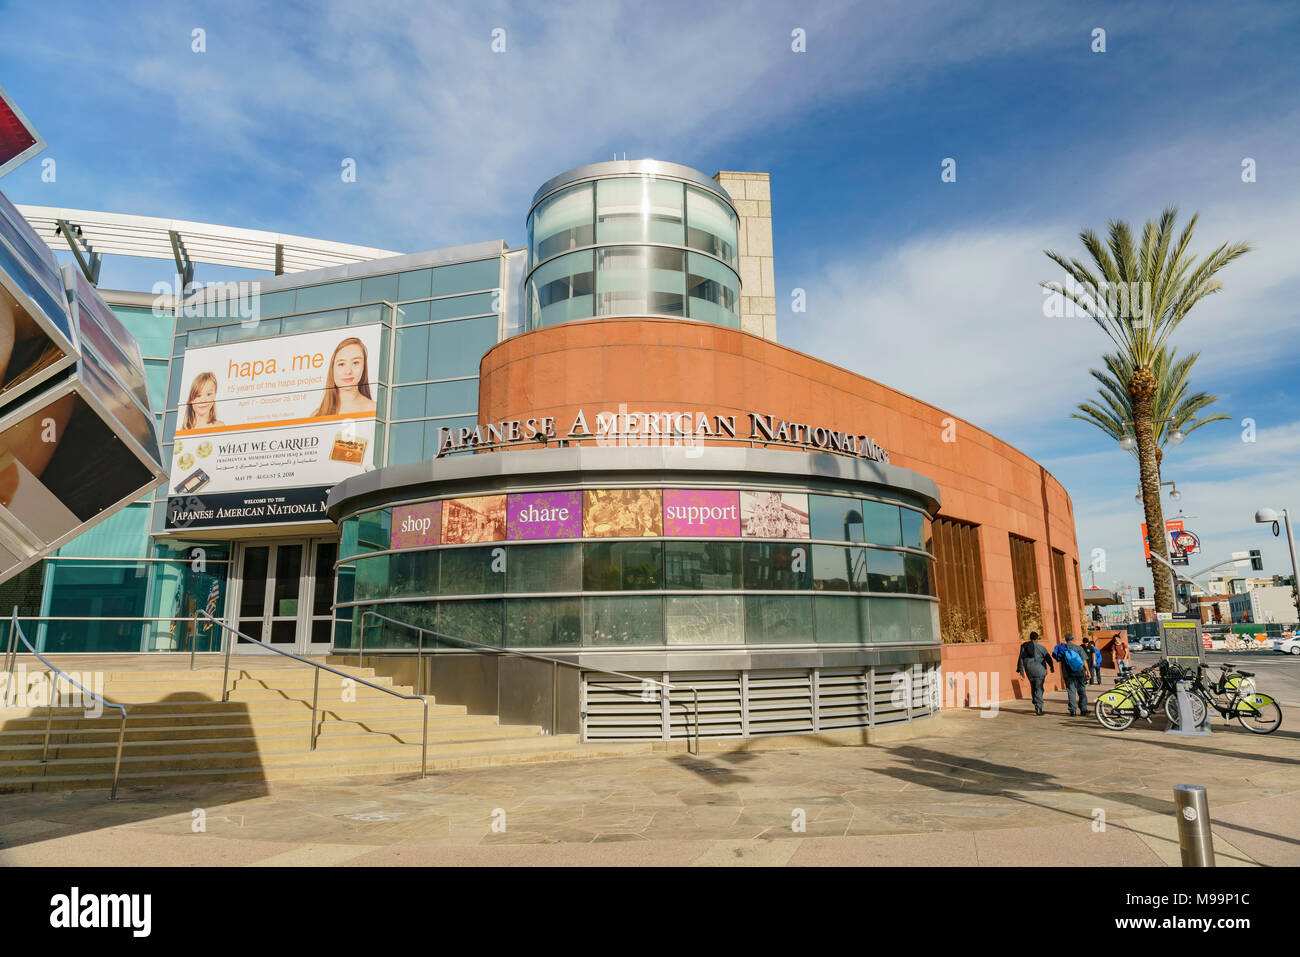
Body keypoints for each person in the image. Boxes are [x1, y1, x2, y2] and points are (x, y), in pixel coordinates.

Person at [313, 337, 376, 416]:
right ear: (332, 369)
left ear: (363, 367)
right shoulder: (317, 414)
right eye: (341, 364)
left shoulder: (374, 409)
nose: (348, 371)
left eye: (355, 363)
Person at [1016, 630, 1055, 715]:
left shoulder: (1024, 647)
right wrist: (1052, 666)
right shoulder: (1041, 647)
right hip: (1039, 670)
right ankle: (1038, 707)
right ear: (1037, 639)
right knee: (1039, 688)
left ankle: (1035, 700)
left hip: (1029, 670)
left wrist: (1021, 672)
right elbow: (1048, 657)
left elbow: (1021, 659)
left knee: (1033, 686)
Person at [1052, 632, 1090, 716]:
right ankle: (1083, 710)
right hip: (1079, 672)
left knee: (1071, 691)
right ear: (1073, 639)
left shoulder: (1062, 649)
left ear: (1065, 639)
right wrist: (1088, 671)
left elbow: (1058, 659)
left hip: (1067, 673)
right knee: (1081, 690)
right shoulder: (1078, 648)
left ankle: (1073, 710)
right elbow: (1084, 660)